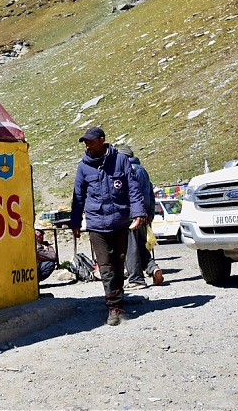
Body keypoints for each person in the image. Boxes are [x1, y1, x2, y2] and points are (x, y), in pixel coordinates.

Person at [70, 127, 147, 326]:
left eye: (91, 141)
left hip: (120, 222)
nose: (88, 145)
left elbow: (133, 188)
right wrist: (75, 222)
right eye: (85, 142)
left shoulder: (120, 161)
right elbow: (78, 197)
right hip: (96, 224)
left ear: (102, 140)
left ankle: (118, 299)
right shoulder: (83, 167)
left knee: (119, 262)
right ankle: (113, 306)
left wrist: (138, 213)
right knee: (105, 266)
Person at [118, 145, 164, 290]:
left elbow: (127, 194)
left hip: (131, 215)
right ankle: (153, 268)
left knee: (130, 248)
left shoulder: (127, 170)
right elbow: (150, 193)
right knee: (140, 247)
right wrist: (150, 214)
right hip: (144, 215)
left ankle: (136, 279)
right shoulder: (143, 171)